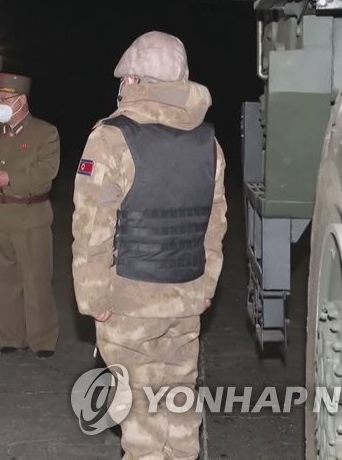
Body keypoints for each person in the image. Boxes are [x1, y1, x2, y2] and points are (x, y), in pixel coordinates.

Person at [72, 31, 227, 459]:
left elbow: (91, 227)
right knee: (178, 406)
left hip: (129, 300)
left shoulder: (110, 139)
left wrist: (93, 296)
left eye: (126, 79)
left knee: (139, 413)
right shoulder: (208, 143)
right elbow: (215, 224)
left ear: (136, 82)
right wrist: (207, 285)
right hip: (185, 295)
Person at [0, 72, 61, 359]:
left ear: (22, 101)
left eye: (4, 99)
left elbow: (46, 173)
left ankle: (42, 340)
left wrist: (8, 177)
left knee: (36, 281)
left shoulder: (45, 133)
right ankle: (10, 337)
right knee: (4, 282)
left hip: (30, 217)